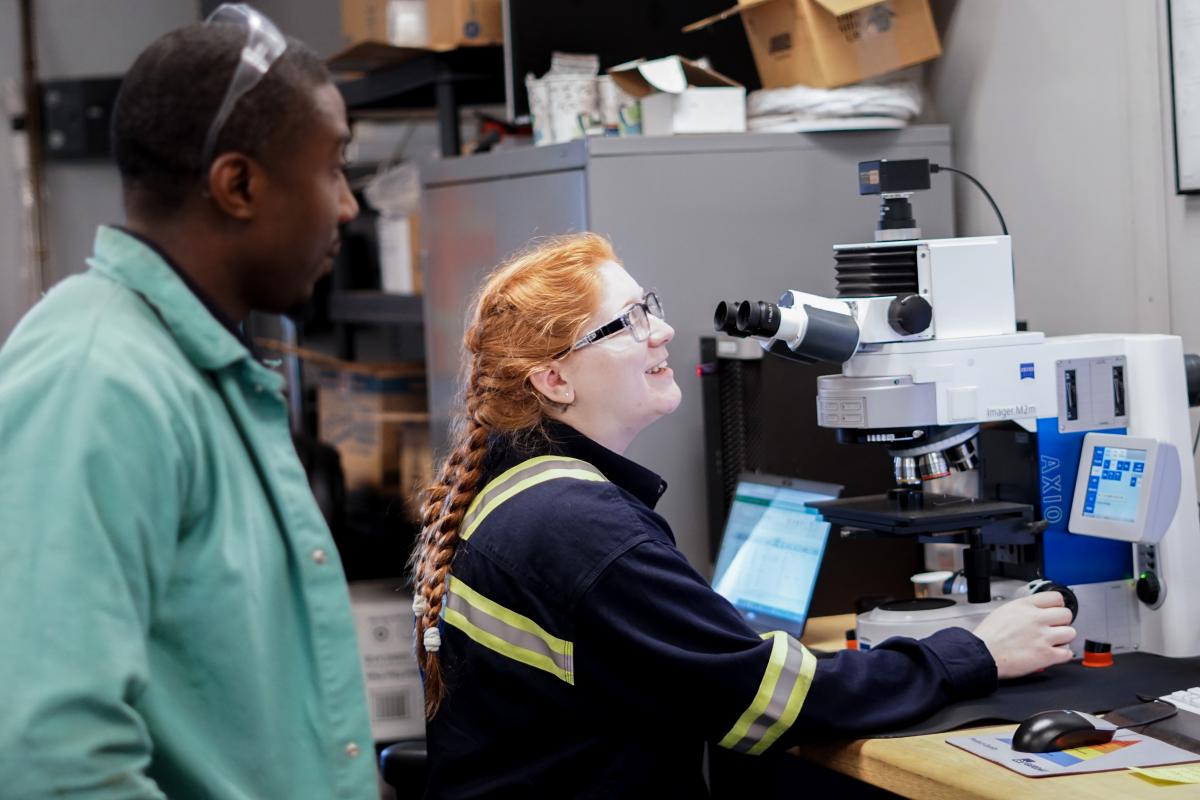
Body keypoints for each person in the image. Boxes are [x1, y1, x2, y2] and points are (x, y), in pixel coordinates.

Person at [409, 232, 1077, 798]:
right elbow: (768, 701)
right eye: (629, 322)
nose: (662, 330)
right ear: (554, 381)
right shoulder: (579, 528)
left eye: (652, 307)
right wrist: (976, 651)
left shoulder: (520, 490)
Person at [0, 7, 378, 798]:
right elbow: (51, 760)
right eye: (334, 168)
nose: (349, 207)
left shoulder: (194, 367)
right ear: (237, 185)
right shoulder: (98, 380)